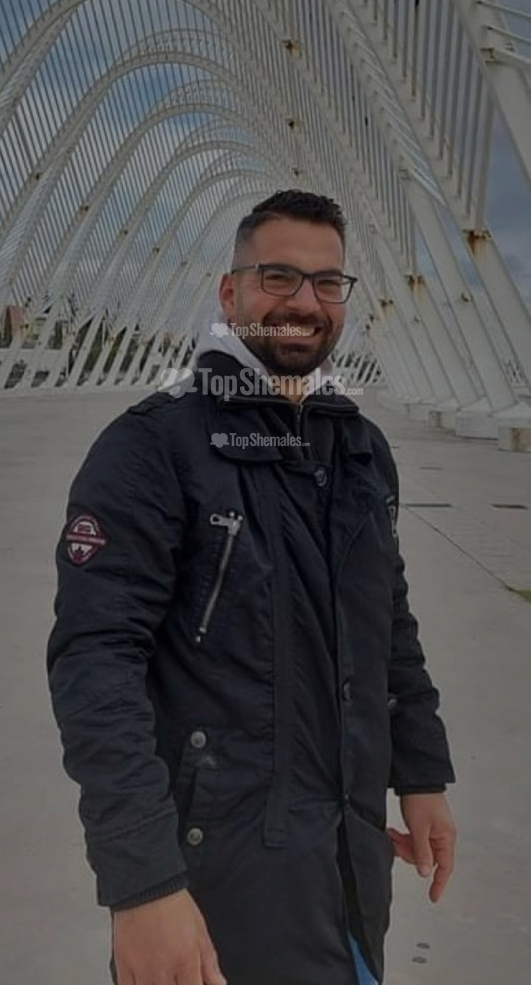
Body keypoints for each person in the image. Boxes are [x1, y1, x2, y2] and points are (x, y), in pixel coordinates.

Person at [46, 189, 457, 985]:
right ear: (229, 292)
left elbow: (388, 626)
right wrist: (142, 884)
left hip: (347, 871)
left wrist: (421, 773)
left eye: (327, 282)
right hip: (215, 884)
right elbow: (95, 663)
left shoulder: (361, 449)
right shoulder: (153, 447)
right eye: (278, 277)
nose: (304, 303)